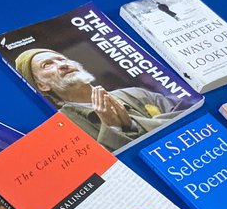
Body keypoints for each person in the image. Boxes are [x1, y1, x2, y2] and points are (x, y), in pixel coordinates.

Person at [14, 48, 184, 151]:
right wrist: (113, 128)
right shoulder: (62, 130)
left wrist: (132, 124)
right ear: (42, 86)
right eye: (47, 65)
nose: (63, 64)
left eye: (62, 59)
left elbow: (187, 117)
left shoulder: (135, 93)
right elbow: (102, 170)